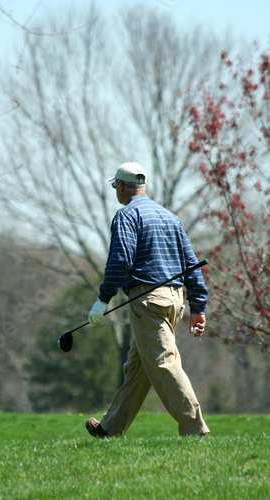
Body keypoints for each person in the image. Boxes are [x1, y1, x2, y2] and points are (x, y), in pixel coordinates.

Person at [86, 162, 209, 438]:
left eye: (114, 186)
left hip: (148, 302)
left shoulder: (126, 215)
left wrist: (102, 300)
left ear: (120, 186)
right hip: (174, 302)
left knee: (164, 363)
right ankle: (110, 428)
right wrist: (197, 308)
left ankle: (194, 429)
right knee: (138, 366)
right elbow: (191, 266)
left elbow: (119, 261)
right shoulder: (170, 217)